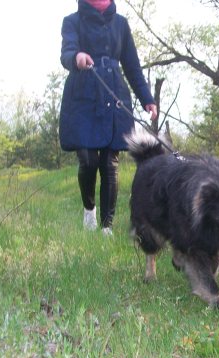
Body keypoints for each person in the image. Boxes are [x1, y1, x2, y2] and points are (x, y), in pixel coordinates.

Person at [59, 0, 157, 236]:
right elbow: (66, 53)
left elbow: (132, 66)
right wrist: (76, 57)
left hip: (114, 94)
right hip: (83, 97)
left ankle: (106, 227)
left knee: (109, 163)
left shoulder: (121, 24)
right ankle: (89, 210)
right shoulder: (72, 21)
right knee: (88, 160)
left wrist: (147, 98)